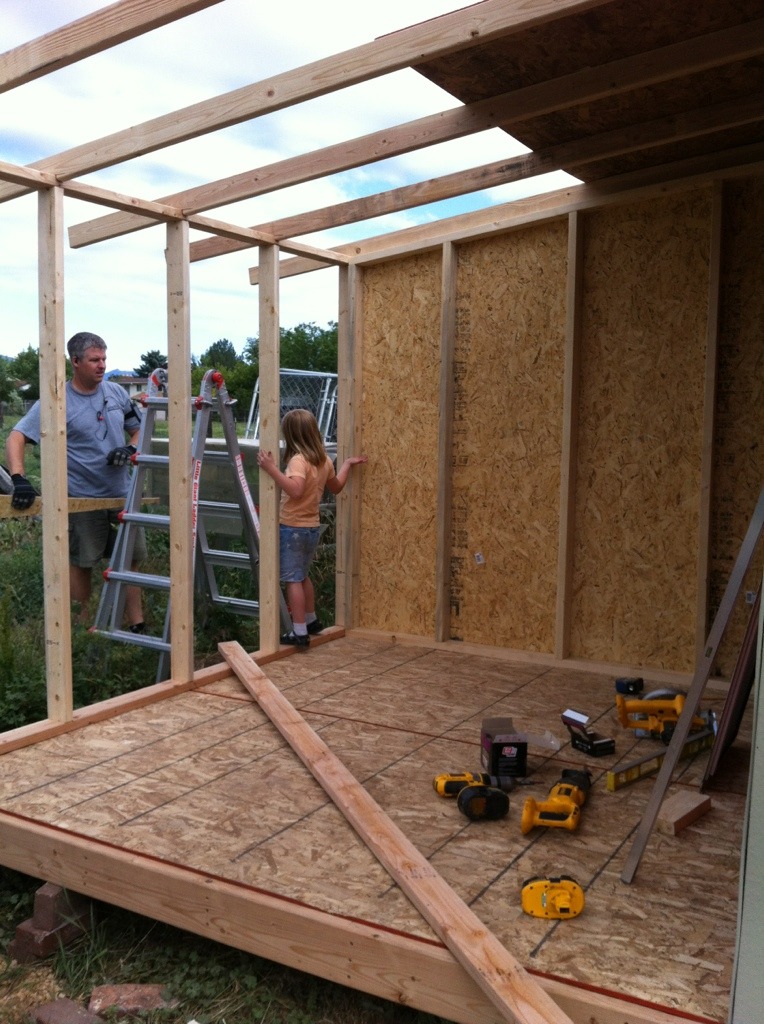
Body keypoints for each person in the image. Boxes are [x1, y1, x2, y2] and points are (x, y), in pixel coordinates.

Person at [5, 331, 147, 630]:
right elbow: (17, 436)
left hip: (123, 494)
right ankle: (82, 627)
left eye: (104, 359)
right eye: (95, 360)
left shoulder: (116, 393)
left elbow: (138, 430)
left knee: (130, 560)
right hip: (81, 499)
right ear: (76, 361)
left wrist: (130, 448)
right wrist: (19, 478)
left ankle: (136, 623)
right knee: (82, 563)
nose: (102, 365)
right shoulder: (58, 400)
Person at [257, 408, 367, 650]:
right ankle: (311, 619)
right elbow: (337, 487)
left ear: (292, 435)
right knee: (303, 575)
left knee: (292, 579)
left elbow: (295, 491)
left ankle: (299, 633)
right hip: (311, 528)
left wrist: (271, 468)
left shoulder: (298, 460)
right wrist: (347, 464)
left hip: (292, 527)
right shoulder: (324, 460)